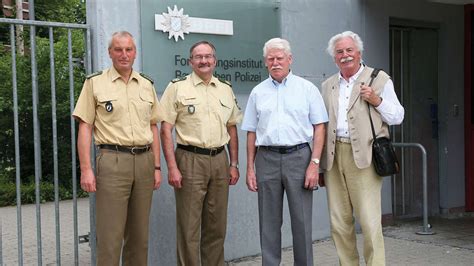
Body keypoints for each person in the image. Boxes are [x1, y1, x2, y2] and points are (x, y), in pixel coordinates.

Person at [73, 31, 162, 266]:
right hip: (112, 161)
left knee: (139, 236)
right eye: (119, 49)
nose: (124, 54)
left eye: (129, 49)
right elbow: (85, 127)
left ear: (135, 52)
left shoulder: (146, 84)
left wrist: (156, 167)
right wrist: (86, 169)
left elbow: (153, 127)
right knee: (110, 236)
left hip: (144, 161)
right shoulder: (95, 83)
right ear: (110, 52)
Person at [241, 38, 328, 266]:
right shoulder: (258, 92)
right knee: (268, 223)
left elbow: (320, 127)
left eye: (280, 58)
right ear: (265, 62)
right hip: (266, 158)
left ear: (290, 59)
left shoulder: (307, 89)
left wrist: (314, 163)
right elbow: (251, 132)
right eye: (271, 59)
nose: (275, 62)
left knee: (301, 221)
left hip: (299, 157)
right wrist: (250, 168)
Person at [320, 31, 405, 266]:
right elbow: (322, 125)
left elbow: (398, 116)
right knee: (339, 222)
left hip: (365, 156)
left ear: (359, 53)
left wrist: (377, 100)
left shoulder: (379, 79)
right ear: (334, 57)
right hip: (334, 157)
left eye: (349, 50)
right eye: (339, 52)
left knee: (369, 221)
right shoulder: (328, 85)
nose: (345, 55)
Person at [160, 41, 242, 266]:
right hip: (189, 160)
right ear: (190, 61)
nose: (204, 61)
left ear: (215, 60)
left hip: (219, 161)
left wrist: (234, 163)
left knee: (216, 225)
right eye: (198, 57)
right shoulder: (177, 87)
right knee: (189, 226)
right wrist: (172, 167)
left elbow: (231, 128)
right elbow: (165, 128)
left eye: (208, 56)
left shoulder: (225, 88)